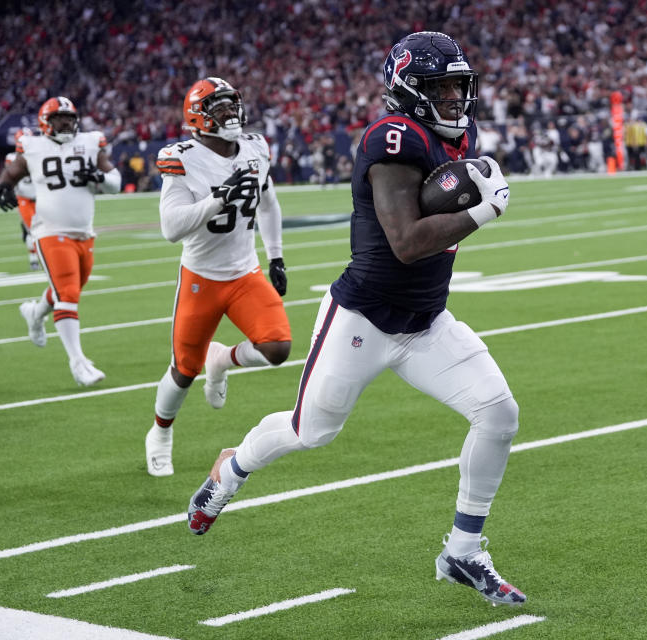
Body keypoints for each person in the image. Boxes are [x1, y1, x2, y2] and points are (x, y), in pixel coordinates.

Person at [186, 32, 526, 607]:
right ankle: (231, 468)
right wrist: (483, 208)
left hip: (425, 322)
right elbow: (406, 242)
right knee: (310, 431)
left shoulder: (457, 132)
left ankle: (464, 551)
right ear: (408, 90)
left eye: (457, 84)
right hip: (362, 319)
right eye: (440, 86)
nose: (453, 95)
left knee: (498, 414)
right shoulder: (390, 138)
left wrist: (466, 194)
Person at [144, 77, 291, 477]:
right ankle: (159, 434)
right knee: (183, 370)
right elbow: (171, 228)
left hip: (245, 272)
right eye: (219, 108)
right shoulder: (184, 157)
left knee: (277, 347)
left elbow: (269, 203)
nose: (230, 114)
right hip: (202, 277)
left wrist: (276, 256)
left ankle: (222, 360)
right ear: (198, 117)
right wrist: (218, 198)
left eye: (232, 105)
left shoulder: (256, 148)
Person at [0, 96, 121, 385]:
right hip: (50, 230)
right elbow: (13, 170)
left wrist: (99, 176)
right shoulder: (33, 146)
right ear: (45, 123)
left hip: (83, 233)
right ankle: (78, 363)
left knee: (70, 288)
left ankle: (35, 313)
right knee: (68, 293)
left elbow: (115, 183)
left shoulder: (90, 143)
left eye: (69, 118)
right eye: (59, 118)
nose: (66, 123)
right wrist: (2, 187)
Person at [4, 128, 40, 271]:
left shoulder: (38, 155)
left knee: (44, 228)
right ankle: (33, 259)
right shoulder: (11, 158)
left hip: (40, 197)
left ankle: (39, 256)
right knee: (32, 230)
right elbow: (10, 177)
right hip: (23, 197)